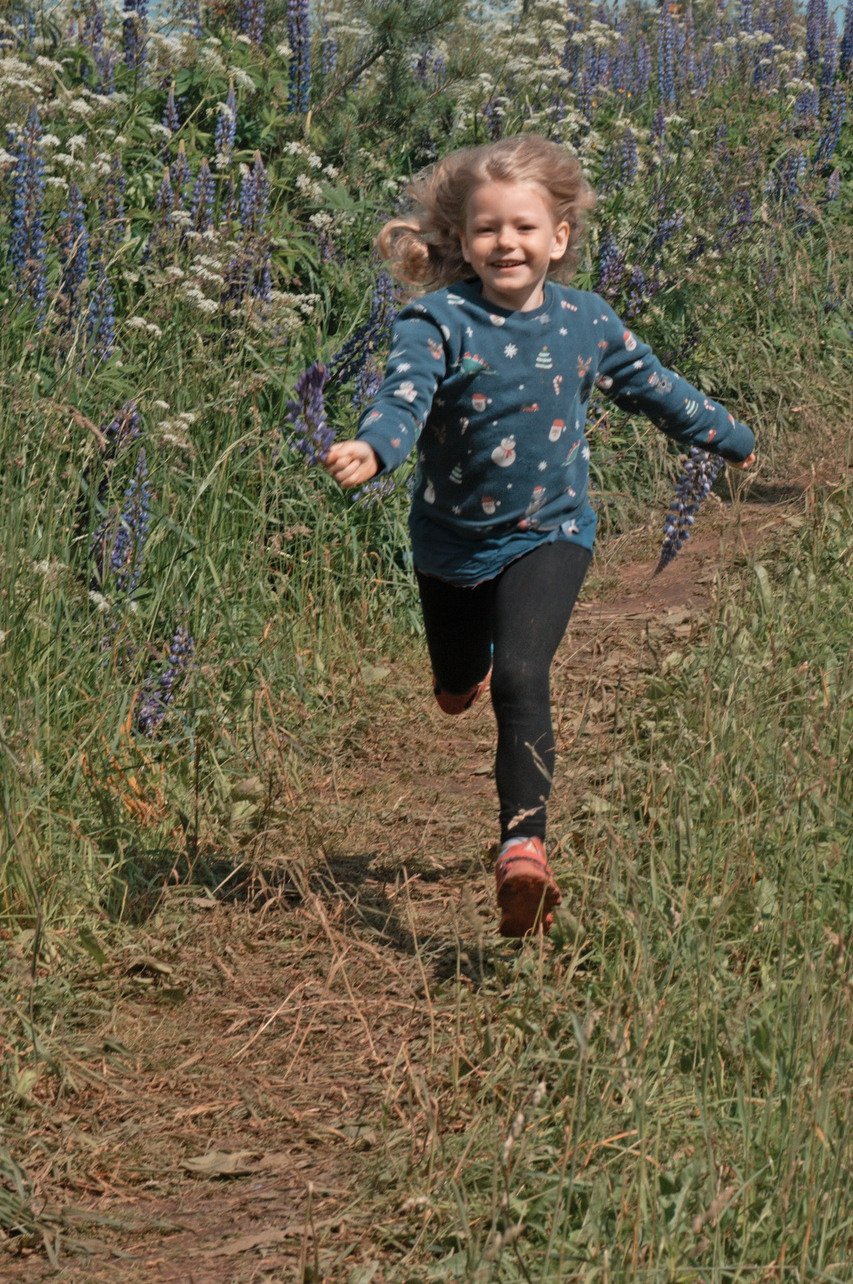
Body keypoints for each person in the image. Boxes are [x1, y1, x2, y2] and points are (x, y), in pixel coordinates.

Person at [322, 136, 755, 938]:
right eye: (487, 229)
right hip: (450, 542)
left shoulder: (587, 320)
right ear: (461, 240)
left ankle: (524, 848)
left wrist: (733, 436)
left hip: (551, 533)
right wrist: (374, 447)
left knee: (523, 671)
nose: (506, 243)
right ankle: (463, 670)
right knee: (458, 684)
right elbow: (403, 396)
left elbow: (654, 386)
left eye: (524, 227)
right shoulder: (435, 320)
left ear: (559, 237)